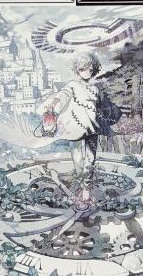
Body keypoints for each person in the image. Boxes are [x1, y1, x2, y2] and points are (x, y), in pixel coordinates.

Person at [39, 51, 120, 205]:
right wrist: (55, 103)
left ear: (94, 70)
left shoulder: (95, 89)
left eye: (90, 69)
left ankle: (86, 187)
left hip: (92, 128)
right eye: (83, 69)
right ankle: (80, 183)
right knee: (77, 159)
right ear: (77, 70)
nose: (87, 72)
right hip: (75, 128)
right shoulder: (73, 85)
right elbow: (63, 95)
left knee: (90, 158)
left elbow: (101, 108)